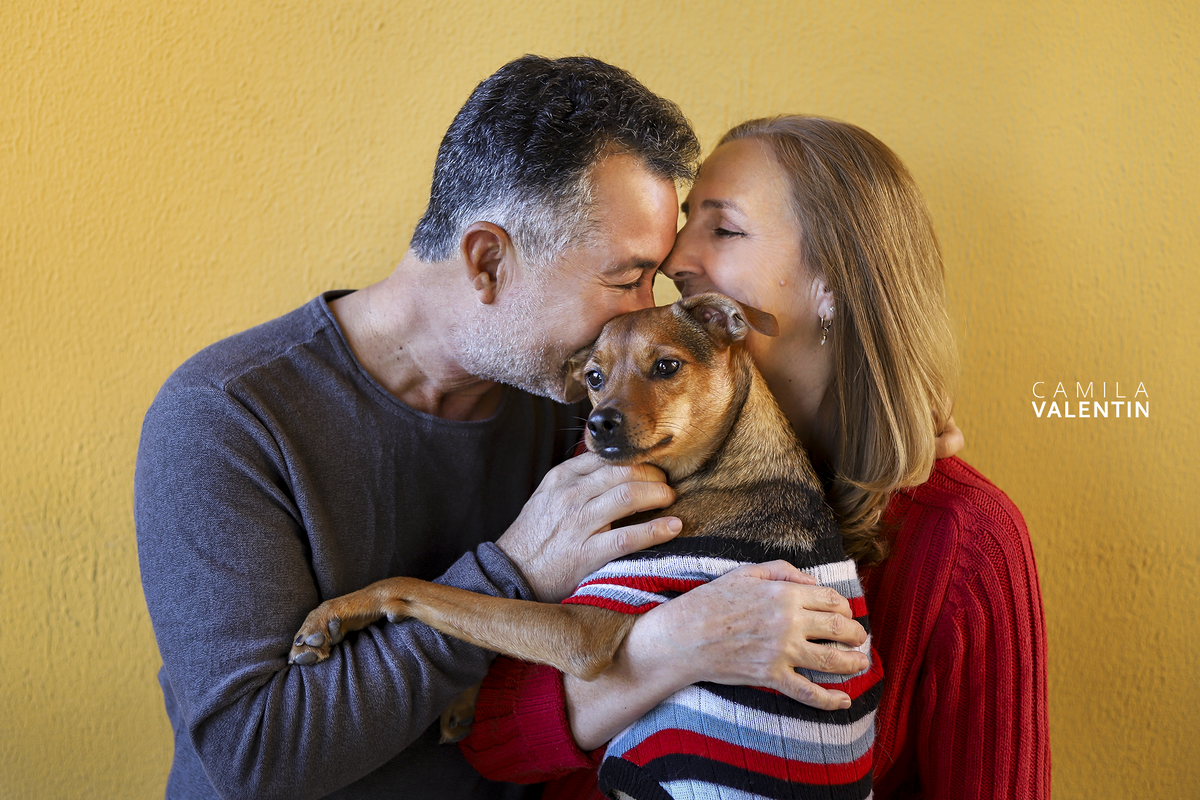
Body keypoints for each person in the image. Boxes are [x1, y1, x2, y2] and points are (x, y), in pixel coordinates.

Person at [135, 58, 871, 800]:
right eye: (625, 278)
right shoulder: (227, 417)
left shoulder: (575, 401)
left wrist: (880, 420)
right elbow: (255, 759)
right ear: (488, 261)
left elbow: (739, 464)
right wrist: (510, 570)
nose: (644, 310)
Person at [461, 116, 1050, 799]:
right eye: (686, 223)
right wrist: (669, 649)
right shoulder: (624, 456)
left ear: (834, 283)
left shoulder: (963, 540)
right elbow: (491, 740)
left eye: (723, 228)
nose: (674, 257)